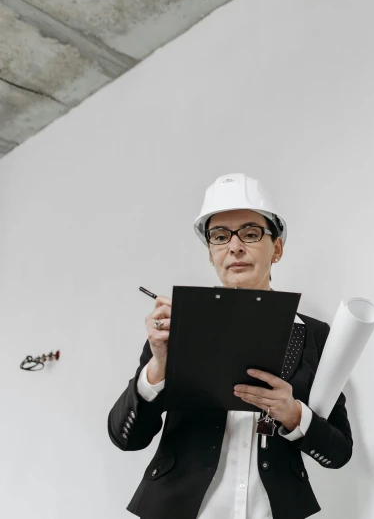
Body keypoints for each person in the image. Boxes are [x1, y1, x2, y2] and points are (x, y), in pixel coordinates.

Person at [108, 173, 353, 519]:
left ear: (277, 248)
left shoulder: (315, 336)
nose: (234, 247)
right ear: (211, 253)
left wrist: (294, 415)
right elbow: (125, 437)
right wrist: (159, 366)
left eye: (250, 234)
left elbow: (340, 451)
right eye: (220, 237)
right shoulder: (178, 328)